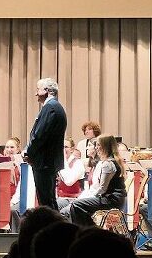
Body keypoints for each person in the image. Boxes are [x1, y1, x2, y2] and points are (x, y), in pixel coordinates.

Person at [59, 135, 126, 226]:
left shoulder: (108, 164)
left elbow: (102, 189)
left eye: (98, 145)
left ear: (105, 147)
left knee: (76, 205)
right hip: (110, 198)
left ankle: (87, 231)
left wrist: (87, 198)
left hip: (111, 200)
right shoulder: (107, 162)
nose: (96, 148)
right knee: (69, 206)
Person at [23, 78, 67, 211]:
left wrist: (28, 153)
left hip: (45, 162)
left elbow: (39, 135)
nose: (36, 94)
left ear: (47, 91)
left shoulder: (50, 107)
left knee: (46, 202)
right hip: (48, 161)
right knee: (48, 200)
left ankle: (52, 229)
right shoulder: (55, 107)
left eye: (38, 90)